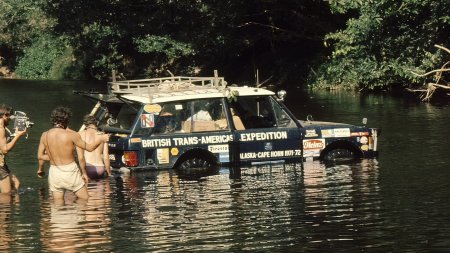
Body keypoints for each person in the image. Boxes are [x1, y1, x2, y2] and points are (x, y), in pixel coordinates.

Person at [37, 106, 109, 203]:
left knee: (58, 203)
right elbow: (90, 148)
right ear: (66, 120)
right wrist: (101, 139)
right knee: (85, 199)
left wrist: (41, 169)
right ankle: (76, 216)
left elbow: (40, 156)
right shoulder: (71, 135)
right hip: (70, 171)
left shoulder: (44, 135)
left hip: (54, 172)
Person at [0, 104, 27, 195]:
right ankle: (5, 208)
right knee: (6, 194)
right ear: (4, 115)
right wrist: (18, 135)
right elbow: (5, 150)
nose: (11, 119)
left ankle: (16, 208)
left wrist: (14, 135)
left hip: (2, 163)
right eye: (10, 116)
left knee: (16, 183)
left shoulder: (3, 127)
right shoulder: (1, 129)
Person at [77, 115, 111, 180]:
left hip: (87, 168)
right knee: (99, 188)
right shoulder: (103, 136)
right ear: (96, 123)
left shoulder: (79, 134)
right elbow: (106, 156)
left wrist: (83, 172)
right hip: (100, 168)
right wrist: (109, 173)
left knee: (88, 189)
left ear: (85, 124)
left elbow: (80, 157)